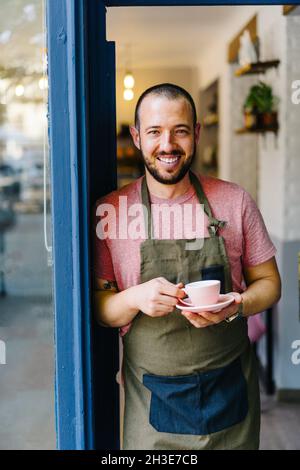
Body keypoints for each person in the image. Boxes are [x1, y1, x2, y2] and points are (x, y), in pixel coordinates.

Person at [93, 83, 281, 450]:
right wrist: (135, 297)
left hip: (230, 395)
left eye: (180, 130)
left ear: (196, 133)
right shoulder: (112, 212)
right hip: (152, 403)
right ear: (136, 137)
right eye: (154, 132)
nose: (168, 145)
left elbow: (270, 283)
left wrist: (237, 304)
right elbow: (100, 308)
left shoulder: (234, 200)